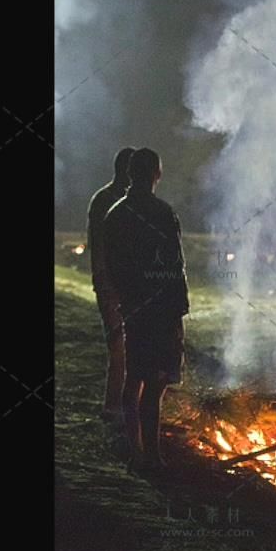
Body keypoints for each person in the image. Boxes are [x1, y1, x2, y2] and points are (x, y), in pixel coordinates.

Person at [102, 148, 190, 472]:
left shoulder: (115, 214)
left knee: (134, 378)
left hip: (135, 308)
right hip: (160, 312)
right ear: (157, 174)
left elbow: (112, 266)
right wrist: (179, 311)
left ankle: (134, 449)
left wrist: (126, 298)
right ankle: (152, 455)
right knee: (155, 384)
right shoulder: (162, 213)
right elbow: (174, 266)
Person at [87, 147, 135, 422]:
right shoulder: (105, 200)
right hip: (111, 283)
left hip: (128, 284)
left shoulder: (127, 200)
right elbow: (98, 244)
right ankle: (113, 406)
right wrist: (104, 281)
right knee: (118, 344)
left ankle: (123, 405)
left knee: (130, 343)